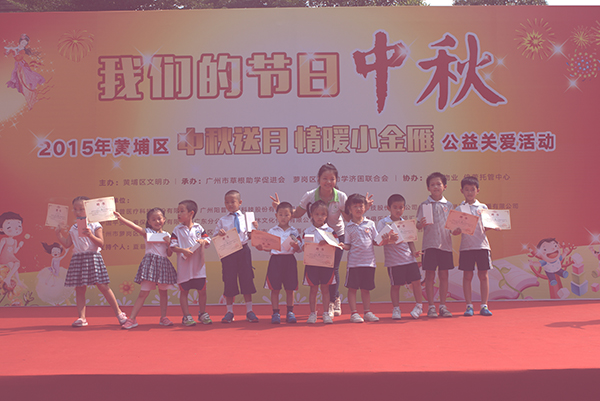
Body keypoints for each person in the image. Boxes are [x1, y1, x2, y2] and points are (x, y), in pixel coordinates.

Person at [271, 163, 372, 318]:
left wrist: (365, 209)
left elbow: (348, 217)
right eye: (325, 178)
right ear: (318, 179)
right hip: (316, 238)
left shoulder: (341, 196)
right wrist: (280, 208)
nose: (328, 182)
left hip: (336, 235)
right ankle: (321, 306)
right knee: (318, 271)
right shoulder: (310, 195)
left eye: (332, 179)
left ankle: (333, 300)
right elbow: (296, 213)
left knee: (333, 268)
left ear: (336, 180)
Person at [54, 196, 127, 327]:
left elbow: (101, 243)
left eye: (81, 209)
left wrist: (90, 235)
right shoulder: (73, 228)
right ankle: (82, 318)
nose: (78, 212)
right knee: (80, 288)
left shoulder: (95, 225)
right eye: (75, 209)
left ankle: (119, 313)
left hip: (93, 257)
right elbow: (67, 244)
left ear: (88, 209)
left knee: (103, 286)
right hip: (78, 259)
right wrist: (58, 234)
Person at [114, 208, 178, 329]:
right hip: (150, 265)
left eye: (159, 218)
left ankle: (163, 317)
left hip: (163, 265)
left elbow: (169, 254)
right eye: (153, 219)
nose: (157, 221)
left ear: (164, 219)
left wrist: (169, 243)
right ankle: (132, 319)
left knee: (163, 292)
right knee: (143, 293)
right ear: (149, 221)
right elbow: (134, 226)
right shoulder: (148, 232)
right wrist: (121, 218)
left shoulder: (167, 235)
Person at [342, 194, 389, 323]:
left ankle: (367, 312)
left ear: (365, 207)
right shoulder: (348, 227)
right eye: (355, 206)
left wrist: (386, 239)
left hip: (369, 263)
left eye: (361, 206)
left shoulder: (370, 223)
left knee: (366, 289)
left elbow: (376, 241)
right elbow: (348, 245)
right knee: (352, 289)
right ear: (349, 209)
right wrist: (342, 246)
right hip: (354, 264)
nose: (358, 209)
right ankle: (354, 313)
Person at [214, 190, 259, 323]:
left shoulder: (247, 218)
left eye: (232, 202)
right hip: (228, 253)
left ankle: (249, 311)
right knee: (229, 280)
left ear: (240, 202)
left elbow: (252, 237)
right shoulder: (222, 220)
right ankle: (229, 312)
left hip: (243, 250)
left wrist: (255, 229)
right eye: (227, 202)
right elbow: (215, 237)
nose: (230, 204)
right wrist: (220, 234)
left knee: (247, 278)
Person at [377, 194, 424, 320]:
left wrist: (414, 252)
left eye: (401, 207)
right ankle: (396, 309)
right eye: (395, 207)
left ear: (404, 208)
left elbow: (410, 241)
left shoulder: (406, 223)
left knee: (416, 282)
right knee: (395, 286)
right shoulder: (383, 223)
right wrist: (389, 238)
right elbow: (378, 242)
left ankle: (419, 306)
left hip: (409, 259)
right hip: (394, 262)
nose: (398, 210)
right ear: (388, 208)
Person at [452, 176, 493, 317]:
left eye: (472, 190)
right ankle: (469, 306)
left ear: (477, 191)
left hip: (482, 246)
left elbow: (486, 227)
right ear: (462, 191)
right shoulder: (459, 208)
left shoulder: (483, 207)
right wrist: (456, 231)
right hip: (466, 247)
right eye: (466, 189)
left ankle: (484, 305)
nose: (469, 192)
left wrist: (495, 225)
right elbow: (454, 231)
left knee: (483, 276)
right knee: (467, 276)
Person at [416, 172, 455, 318]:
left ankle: (443, 306)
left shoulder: (449, 205)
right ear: (428, 188)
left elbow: (453, 227)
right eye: (432, 185)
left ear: (444, 186)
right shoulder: (424, 205)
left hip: (445, 245)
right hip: (429, 245)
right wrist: (421, 224)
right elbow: (418, 225)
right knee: (430, 276)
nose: (436, 187)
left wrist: (457, 229)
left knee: (444, 275)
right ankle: (431, 306)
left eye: (438, 184)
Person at [256, 201, 302, 324]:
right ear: (276, 215)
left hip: (289, 261)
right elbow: (268, 248)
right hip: (275, 261)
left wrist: (296, 246)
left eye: (286, 215)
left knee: (290, 289)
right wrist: (261, 248)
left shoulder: (294, 231)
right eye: (280, 215)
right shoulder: (272, 231)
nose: (283, 217)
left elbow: (299, 249)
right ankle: (275, 313)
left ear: (291, 216)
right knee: (275, 289)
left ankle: (290, 312)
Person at [170, 200, 212, 326]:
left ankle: (202, 313)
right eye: (177, 211)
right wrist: (183, 250)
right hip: (184, 267)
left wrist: (203, 241)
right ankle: (186, 316)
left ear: (191, 213)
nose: (178, 214)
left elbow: (207, 240)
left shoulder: (199, 228)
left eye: (182, 211)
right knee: (184, 291)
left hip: (198, 266)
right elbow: (173, 247)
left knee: (202, 291)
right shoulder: (177, 230)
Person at [302, 201, 341, 324]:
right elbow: (302, 247)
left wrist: (328, 242)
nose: (320, 217)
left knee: (325, 289)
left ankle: (325, 313)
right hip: (312, 266)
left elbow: (337, 245)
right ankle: (312, 313)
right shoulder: (307, 231)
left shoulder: (330, 231)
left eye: (323, 214)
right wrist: (304, 247)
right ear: (311, 215)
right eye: (317, 214)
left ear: (326, 216)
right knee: (313, 290)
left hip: (326, 265)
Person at [4, 34, 46, 109]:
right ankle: (30, 99)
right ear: (20, 41)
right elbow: (7, 53)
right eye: (22, 42)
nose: (23, 44)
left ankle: (31, 100)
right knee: (21, 83)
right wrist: (8, 50)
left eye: (25, 44)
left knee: (25, 82)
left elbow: (18, 58)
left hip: (23, 67)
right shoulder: (16, 47)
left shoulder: (22, 51)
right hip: (18, 66)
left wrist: (14, 51)